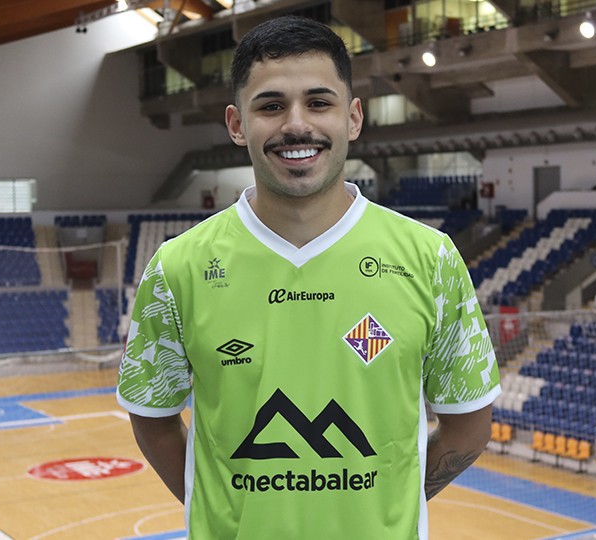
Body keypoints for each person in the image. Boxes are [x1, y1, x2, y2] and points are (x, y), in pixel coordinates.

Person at [117, 15, 500, 539]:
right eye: (271, 105)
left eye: (319, 102)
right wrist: (223, 505)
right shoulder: (178, 268)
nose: (297, 124)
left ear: (353, 118)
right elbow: (153, 420)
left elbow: (469, 424)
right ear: (235, 124)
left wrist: (394, 494)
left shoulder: (429, 259)